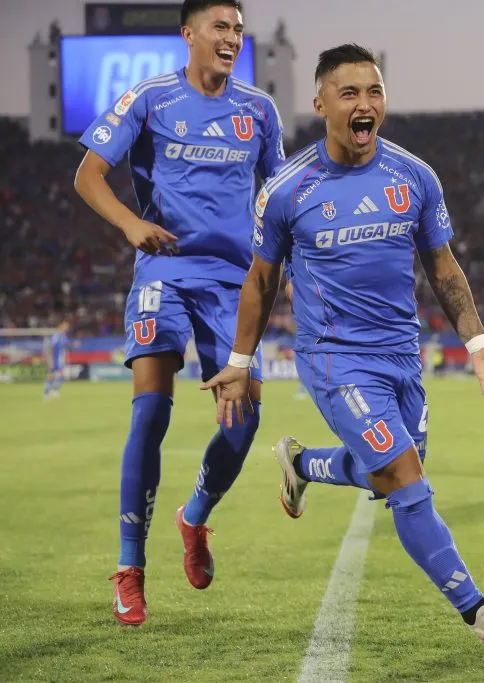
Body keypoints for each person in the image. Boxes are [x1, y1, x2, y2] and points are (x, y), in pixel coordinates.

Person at [200, 44, 484, 657]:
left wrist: (478, 342)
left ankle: (301, 465)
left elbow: (442, 265)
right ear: (321, 102)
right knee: (407, 483)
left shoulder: (413, 175)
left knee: (386, 478)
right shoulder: (287, 190)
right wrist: (241, 362)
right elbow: (260, 281)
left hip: (401, 358)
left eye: (374, 92)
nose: (365, 104)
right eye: (350, 93)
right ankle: (482, 615)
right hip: (334, 360)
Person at [73, 0, 286, 626]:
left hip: (234, 283)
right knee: (151, 411)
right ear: (188, 34)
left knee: (243, 424)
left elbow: (275, 203)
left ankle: (194, 516)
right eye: (220, 27)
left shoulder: (259, 111)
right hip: (164, 269)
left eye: (238, 30)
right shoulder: (150, 98)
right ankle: (130, 568)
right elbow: (88, 174)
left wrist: (288, 274)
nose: (231, 38)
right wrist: (132, 223)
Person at [43, 319, 72, 399]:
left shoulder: (63, 336)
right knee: (51, 376)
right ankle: (47, 393)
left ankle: (53, 391)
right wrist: (49, 358)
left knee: (62, 375)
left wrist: (73, 345)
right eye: (65, 326)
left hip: (60, 360)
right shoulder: (56, 335)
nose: (67, 328)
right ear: (61, 326)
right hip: (54, 359)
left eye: (67, 326)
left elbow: (68, 346)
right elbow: (50, 346)